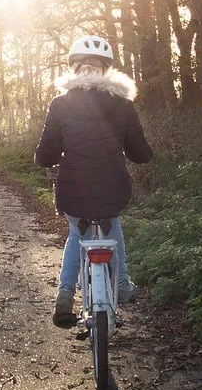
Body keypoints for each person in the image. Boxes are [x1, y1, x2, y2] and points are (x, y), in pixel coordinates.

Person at [34, 35, 154, 328]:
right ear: (106, 70)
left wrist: (46, 159)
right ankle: (122, 283)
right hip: (113, 186)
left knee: (77, 232)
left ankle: (65, 293)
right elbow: (140, 153)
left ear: (74, 69)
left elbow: (46, 153)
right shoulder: (123, 104)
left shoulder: (60, 104)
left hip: (72, 188)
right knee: (112, 221)